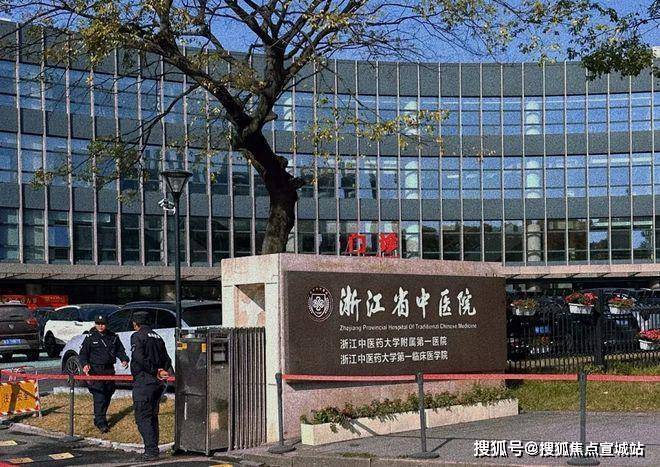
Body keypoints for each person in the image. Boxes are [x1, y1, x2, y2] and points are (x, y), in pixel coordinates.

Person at [130, 311, 173, 462]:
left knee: (143, 417)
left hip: (144, 381)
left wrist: (154, 370)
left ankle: (151, 451)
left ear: (135, 324)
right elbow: (167, 360)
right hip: (157, 384)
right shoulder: (158, 337)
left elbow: (138, 357)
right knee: (152, 417)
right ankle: (153, 448)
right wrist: (161, 371)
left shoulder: (137, 336)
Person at [78, 314, 129, 433]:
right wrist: (85, 364)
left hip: (109, 370)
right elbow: (83, 354)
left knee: (108, 393)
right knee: (99, 396)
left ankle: (99, 417)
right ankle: (101, 422)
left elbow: (120, 350)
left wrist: (124, 359)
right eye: (98, 324)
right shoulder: (90, 337)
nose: (100, 326)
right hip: (95, 370)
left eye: (103, 324)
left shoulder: (113, 337)